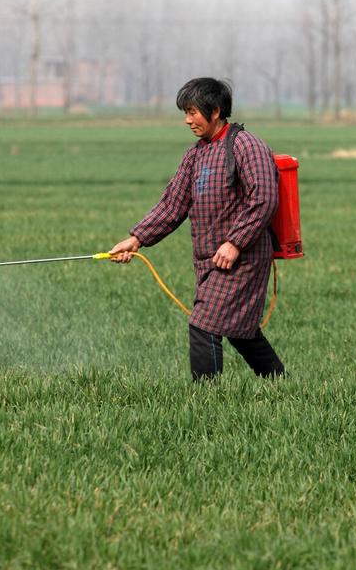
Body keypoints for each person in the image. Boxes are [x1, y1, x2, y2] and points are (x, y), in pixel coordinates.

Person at [110, 77, 285, 381]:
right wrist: (136, 239)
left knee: (204, 324)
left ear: (215, 111)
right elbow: (172, 205)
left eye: (192, 112)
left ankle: (205, 400)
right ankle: (279, 383)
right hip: (209, 260)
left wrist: (235, 243)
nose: (187, 120)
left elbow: (265, 198)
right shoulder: (196, 154)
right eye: (185, 112)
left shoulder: (246, 145)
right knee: (239, 330)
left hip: (242, 258)